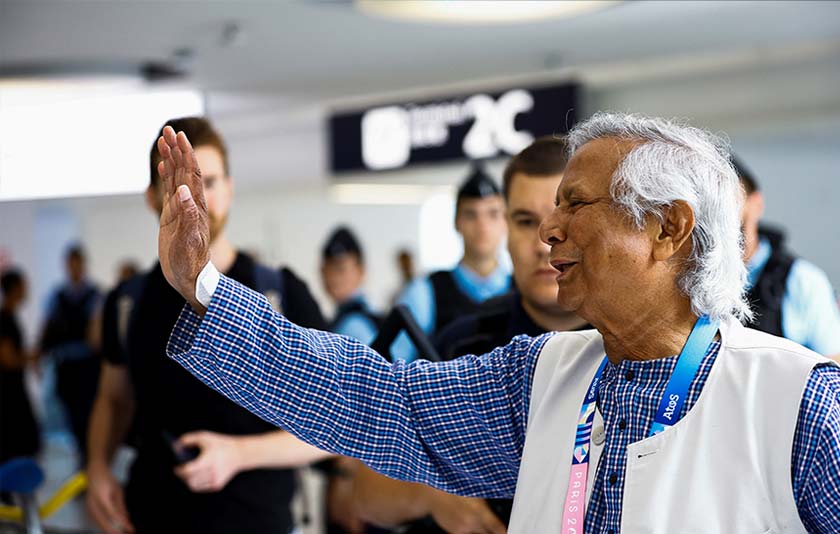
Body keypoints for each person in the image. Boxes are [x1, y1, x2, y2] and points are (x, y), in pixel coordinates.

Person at [155, 113, 840, 532]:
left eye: (575, 203)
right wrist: (205, 287)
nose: (548, 230)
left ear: (667, 229)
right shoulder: (539, 376)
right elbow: (376, 402)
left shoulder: (798, 406)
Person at [85, 117, 332, 534]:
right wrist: (97, 467)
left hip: (257, 519)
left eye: (209, 182)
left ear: (231, 189)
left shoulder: (283, 293)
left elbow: (330, 424)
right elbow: (113, 399)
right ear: (152, 197)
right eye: (179, 186)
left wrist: (238, 454)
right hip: (151, 514)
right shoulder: (127, 303)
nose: (196, 200)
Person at [353, 137, 590, 533]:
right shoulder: (463, 346)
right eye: (525, 221)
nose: (543, 241)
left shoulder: (629, 344)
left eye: (562, 218)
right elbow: (367, 489)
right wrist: (431, 495)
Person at [393, 164, 510, 361]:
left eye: (492, 214)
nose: (482, 226)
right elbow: (394, 366)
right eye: (471, 214)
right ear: (456, 222)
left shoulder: (525, 290)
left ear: (506, 221)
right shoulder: (424, 293)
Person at [737, 157, 840, 359]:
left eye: (728, 198)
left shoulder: (803, 280)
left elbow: (834, 365)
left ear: (756, 203)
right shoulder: (688, 279)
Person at [40, 244, 100, 463]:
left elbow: (96, 337)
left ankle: (89, 458)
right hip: (66, 367)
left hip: (87, 367)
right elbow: (45, 329)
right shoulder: (57, 296)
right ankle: (82, 456)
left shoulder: (94, 295)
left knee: (88, 415)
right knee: (72, 417)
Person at [0, 269, 40, 464]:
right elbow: (7, 359)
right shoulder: (5, 319)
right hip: (9, 395)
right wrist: (29, 358)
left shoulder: (10, 318)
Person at [321, 226, 380, 345]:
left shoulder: (355, 325)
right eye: (327, 269)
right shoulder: (342, 318)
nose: (333, 277)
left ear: (361, 272)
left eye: (340, 269)